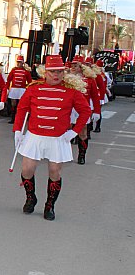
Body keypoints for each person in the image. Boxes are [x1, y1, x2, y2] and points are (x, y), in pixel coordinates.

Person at [13, 53, 91, 221]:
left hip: (58, 138)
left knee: (54, 171)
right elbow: (22, 109)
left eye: (60, 72)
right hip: (35, 136)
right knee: (26, 170)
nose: (56, 75)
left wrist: (74, 131)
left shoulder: (72, 92)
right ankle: (30, 197)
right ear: (44, 72)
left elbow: (85, 111)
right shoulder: (33, 89)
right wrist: (18, 131)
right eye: (52, 71)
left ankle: (50, 205)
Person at [69, 56, 101, 164]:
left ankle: (81, 155)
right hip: (68, 109)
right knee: (65, 131)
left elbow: (95, 97)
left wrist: (97, 111)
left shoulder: (90, 80)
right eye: (72, 65)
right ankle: (65, 154)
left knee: (82, 133)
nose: (72, 67)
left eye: (75, 65)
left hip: (83, 110)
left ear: (81, 67)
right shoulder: (66, 78)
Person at [5, 55, 32, 124]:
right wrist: (7, 88)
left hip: (22, 89)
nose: (18, 63)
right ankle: (13, 118)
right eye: (17, 62)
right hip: (14, 89)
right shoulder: (13, 70)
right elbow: (9, 80)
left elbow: (30, 82)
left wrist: (28, 89)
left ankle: (19, 119)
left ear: (23, 63)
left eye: (20, 62)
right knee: (13, 104)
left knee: (20, 104)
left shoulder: (26, 71)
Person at [92, 60, 109, 132]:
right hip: (100, 94)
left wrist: (101, 98)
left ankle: (97, 127)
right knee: (95, 110)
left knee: (96, 111)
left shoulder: (99, 75)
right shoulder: (104, 74)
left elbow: (102, 86)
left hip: (99, 94)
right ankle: (95, 126)